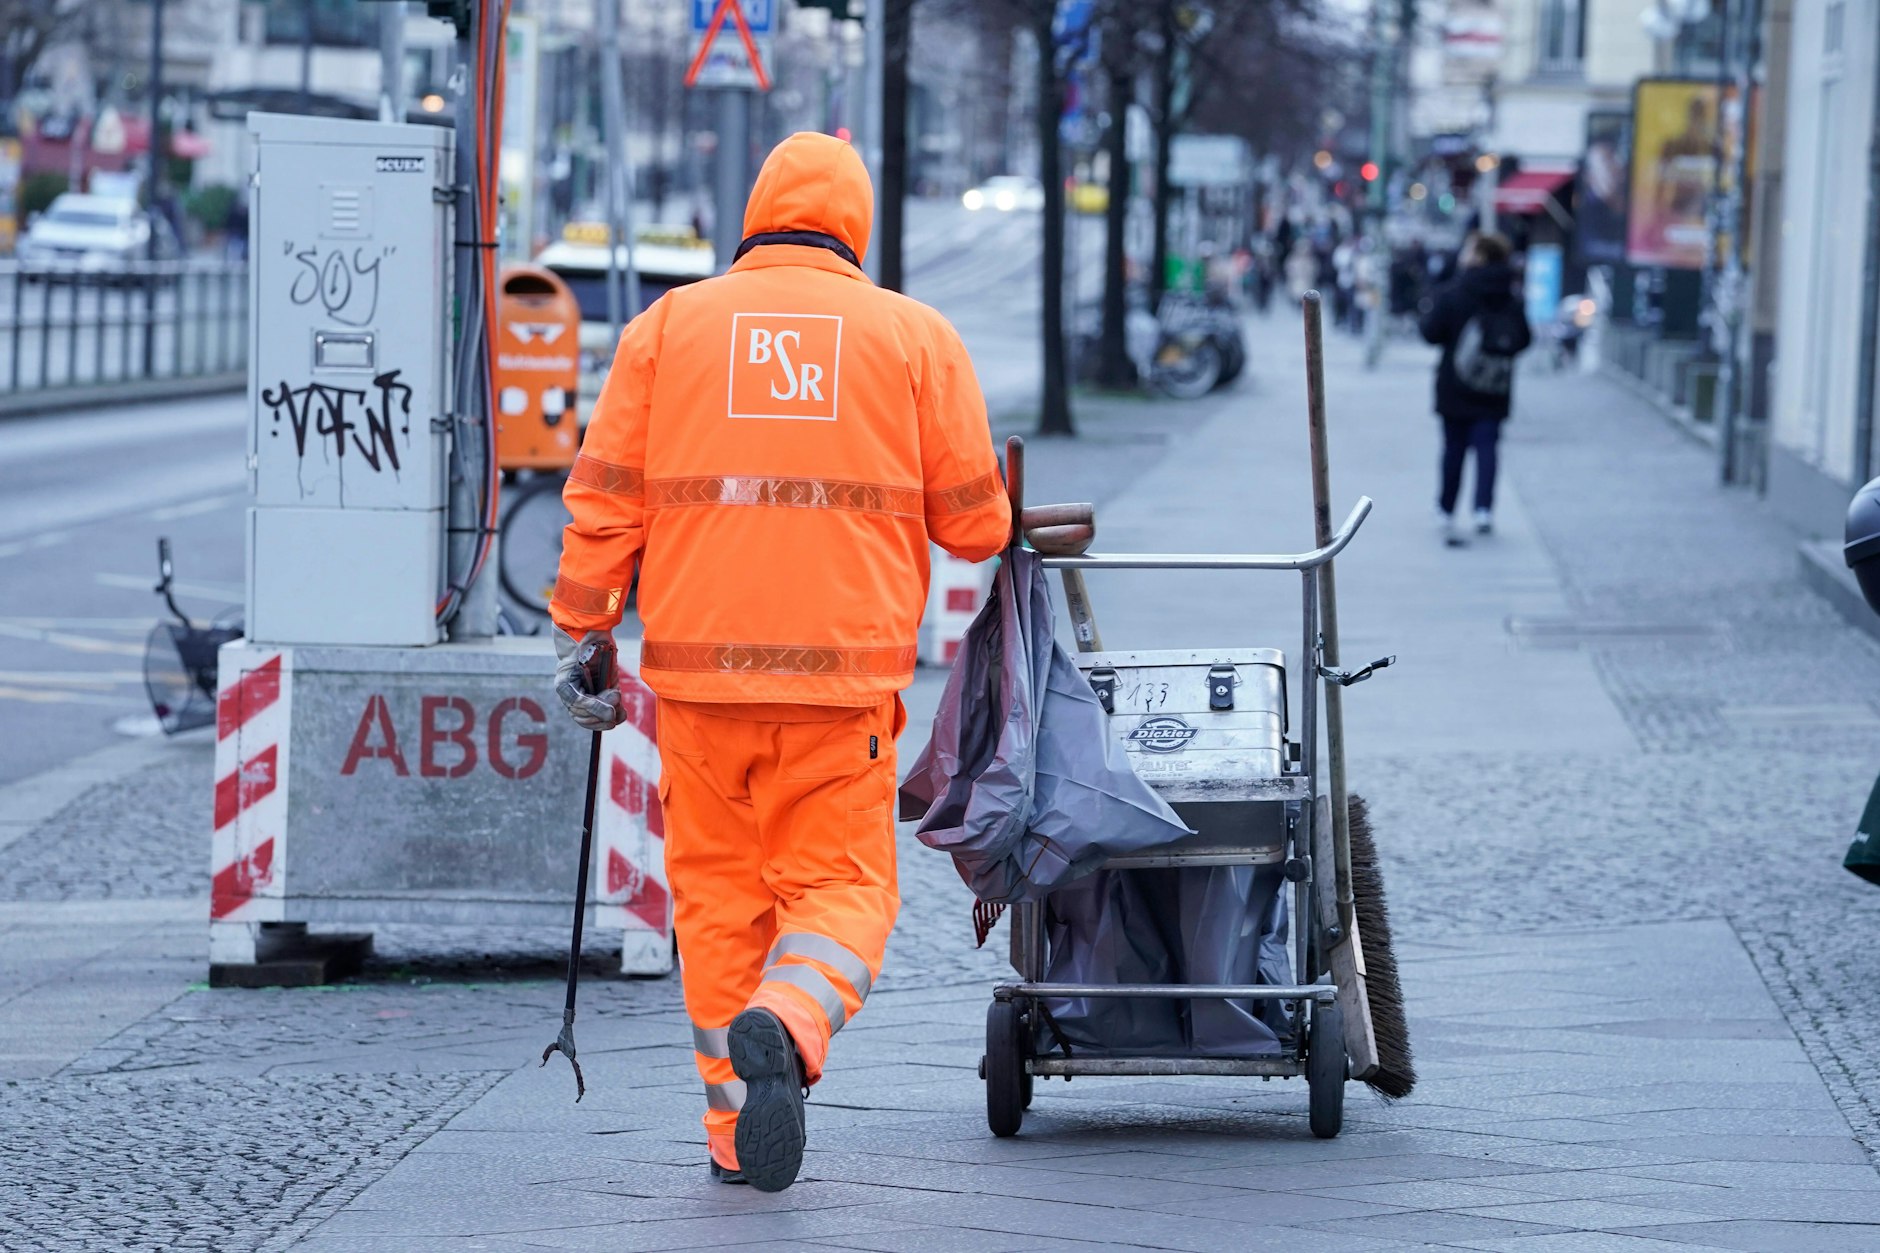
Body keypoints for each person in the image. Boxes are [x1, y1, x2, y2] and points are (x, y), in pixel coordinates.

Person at [547, 132, 1010, 1191]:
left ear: (752, 216)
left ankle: (728, 1137)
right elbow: (976, 527)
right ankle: (790, 1019)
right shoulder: (912, 336)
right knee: (843, 891)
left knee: (717, 909)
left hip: (696, 692)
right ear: (855, 227)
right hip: (838, 691)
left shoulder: (667, 329)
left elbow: (602, 495)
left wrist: (586, 635)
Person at [1417, 231, 1531, 546]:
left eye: (1469, 249)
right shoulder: (1510, 294)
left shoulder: (1455, 290)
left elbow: (1431, 333)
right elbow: (1523, 339)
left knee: (1453, 447)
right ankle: (1483, 510)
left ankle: (1446, 509)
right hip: (1495, 384)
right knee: (1487, 446)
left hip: (1455, 383)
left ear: (1480, 255)